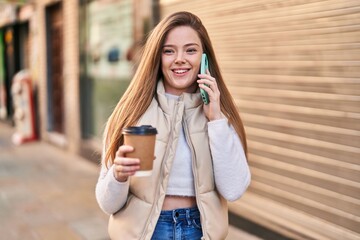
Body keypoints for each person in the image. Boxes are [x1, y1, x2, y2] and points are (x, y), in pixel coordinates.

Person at [95, 11, 251, 240]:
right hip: (146, 232)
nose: (179, 58)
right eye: (169, 50)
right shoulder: (130, 114)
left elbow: (234, 189)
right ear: (157, 57)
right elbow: (107, 204)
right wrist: (117, 176)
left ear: (204, 57)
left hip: (200, 231)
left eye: (190, 50)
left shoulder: (219, 116)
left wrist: (216, 119)